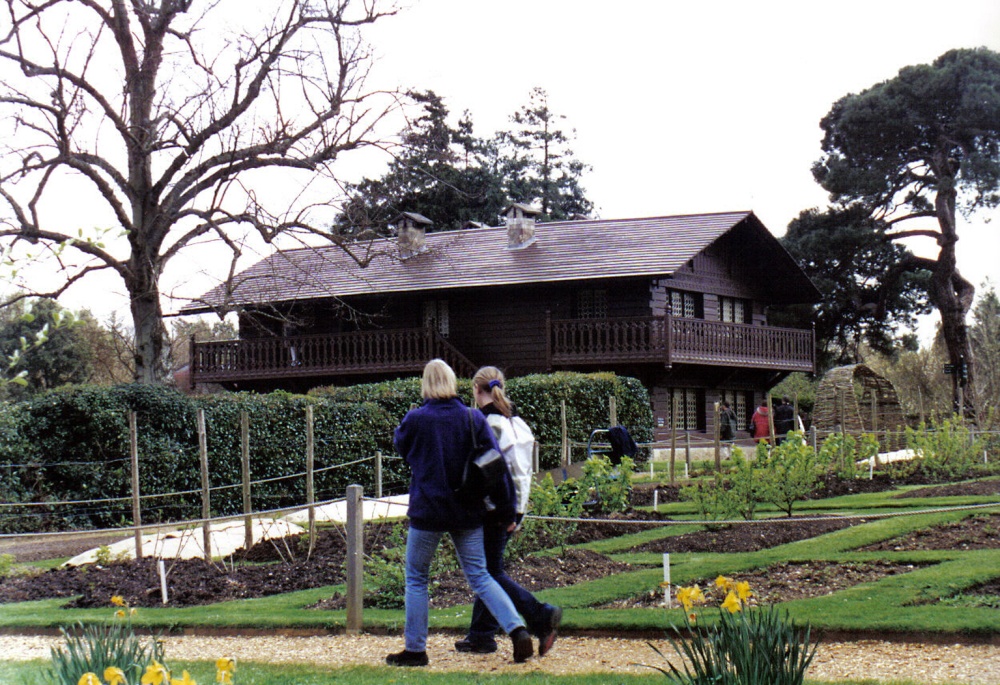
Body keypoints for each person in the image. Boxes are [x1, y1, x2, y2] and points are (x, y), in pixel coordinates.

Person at [386, 359, 533, 667]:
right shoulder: (472, 418)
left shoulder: (415, 419)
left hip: (428, 512)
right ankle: (517, 629)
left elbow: (401, 446)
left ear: (425, 384)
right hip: (468, 512)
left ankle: (415, 650)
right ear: (454, 383)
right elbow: (497, 469)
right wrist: (508, 513)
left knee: (416, 578)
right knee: (480, 576)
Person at [455, 367, 563, 657]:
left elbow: (488, 473)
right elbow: (523, 472)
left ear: (477, 391)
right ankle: (481, 634)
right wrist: (516, 513)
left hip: (495, 509)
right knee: (489, 569)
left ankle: (540, 614)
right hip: (516, 507)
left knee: (488, 573)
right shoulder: (518, 425)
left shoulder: (484, 424)